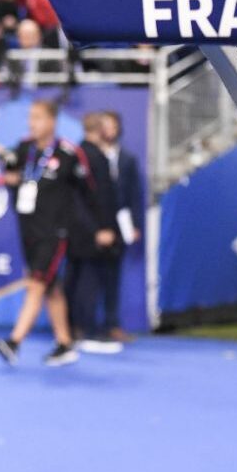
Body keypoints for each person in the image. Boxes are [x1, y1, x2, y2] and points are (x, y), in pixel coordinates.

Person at [0, 100, 113, 367]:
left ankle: (14, 341)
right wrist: (11, 176)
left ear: (52, 121)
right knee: (51, 288)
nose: (32, 123)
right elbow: (7, 167)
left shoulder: (68, 153)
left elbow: (91, 193)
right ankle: (64, 343)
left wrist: (104, 226)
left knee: (37, 284)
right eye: (30, 117)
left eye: (37, 117)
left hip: (55, 232)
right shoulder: (24, 149)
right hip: (29, 230)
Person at [64, 112, 124, 352]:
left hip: (77, 230)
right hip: (90, 232)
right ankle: (85, 330)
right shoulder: (93, 157)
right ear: (100, 129)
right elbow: (89, 198)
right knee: (86, 282)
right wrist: (99, 230)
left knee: (76, 279)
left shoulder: (78, 154)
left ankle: (74, 328)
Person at [100, 110, 143, 342]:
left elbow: (135, 194)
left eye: (113, 126)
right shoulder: (90, 155)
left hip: (120, 224)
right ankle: (81, 326)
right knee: (87, 277)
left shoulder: (128, 159)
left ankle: (111, 324)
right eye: (105, 126)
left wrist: (135, 225)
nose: (109, 131)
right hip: (95, 225)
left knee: (113, 277)